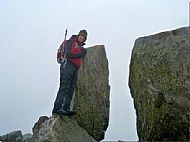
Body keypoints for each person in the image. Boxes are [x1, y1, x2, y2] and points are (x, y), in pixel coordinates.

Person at [52, 29, 87, 116]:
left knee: (71, 88)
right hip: (67, 64)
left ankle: (66, 108)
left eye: (84, 37)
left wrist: (82, 52)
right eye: (81, 36)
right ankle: (57, 108)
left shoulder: (80, 47)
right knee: (65, 86)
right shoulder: (71, 42)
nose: (82, 38)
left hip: (75, 68)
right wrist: (80, 54)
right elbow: (68, 54)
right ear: (78, 35)